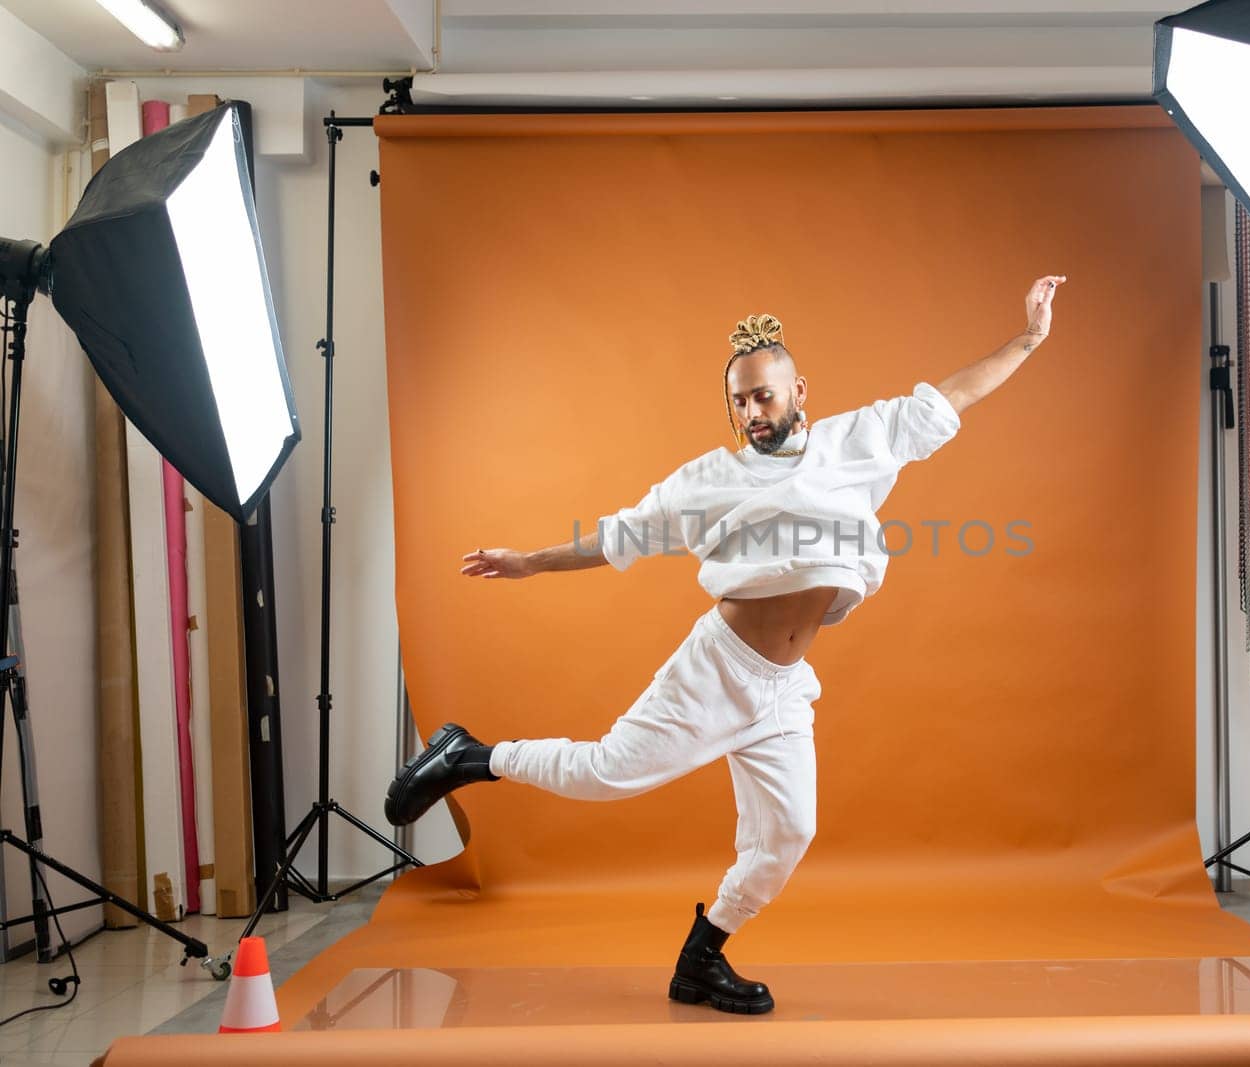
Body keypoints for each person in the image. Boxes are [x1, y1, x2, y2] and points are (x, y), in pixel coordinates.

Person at [384, 275, 1065, 1014]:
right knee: (608, 771)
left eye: (764, 395)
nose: (750, 412)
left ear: (799, 388)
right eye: (738, 401)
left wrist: (1029, 337)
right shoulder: (708, 479)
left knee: (789, 832)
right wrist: (528, 561)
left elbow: (954, 394)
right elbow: (619, 536)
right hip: (719, 668)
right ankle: (471, 755)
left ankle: (701, 959)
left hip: (783, 686)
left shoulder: (857, 442)